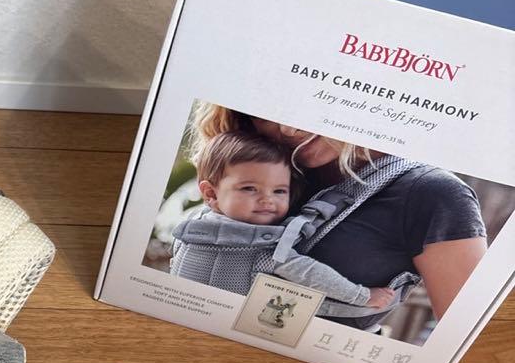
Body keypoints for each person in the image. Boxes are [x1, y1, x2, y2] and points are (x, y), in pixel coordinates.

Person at [188, 105, 488, 328]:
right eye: (267, 114)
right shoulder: (254, 167)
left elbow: (467, 338)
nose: (289, 130)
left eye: (309, 104)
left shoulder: (432, 194)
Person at [170, 131, 394, 309]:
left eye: (279, 191)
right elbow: (313, 275)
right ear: (211, 193)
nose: (267, 200)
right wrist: (363, 296)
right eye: (249, 188)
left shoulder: (189, 228)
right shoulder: (265, 247)